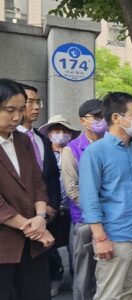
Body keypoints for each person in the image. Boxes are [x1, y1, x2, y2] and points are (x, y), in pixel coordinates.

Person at [79, 92, 132, 300]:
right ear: (116, 118)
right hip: (114, 236)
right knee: (110, 294)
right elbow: (89, 198)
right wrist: (100, 237)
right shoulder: (95, 152)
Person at [0, 78, 55, 300]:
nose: (17, 117)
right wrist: (35, 228)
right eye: (9, 110)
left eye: (21, 110)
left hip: (33, 244)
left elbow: (37, 182)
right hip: (5, 244)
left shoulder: (23, 140)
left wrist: (41, 216)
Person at [17, 83, 63, 294]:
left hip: (44, 217)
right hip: (15, 223)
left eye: (38, 102)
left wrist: (50, 206)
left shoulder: (42, 140)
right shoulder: (7, 140)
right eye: (30, 102)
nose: (36, 107)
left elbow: (51, 178)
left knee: (36, 282)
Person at [61, 99, 106, 300]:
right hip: (84, 221)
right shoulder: (72, 149)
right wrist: (96, 211)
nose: (101, 121)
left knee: (107, 275)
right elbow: (72, 189)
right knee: (85, 276)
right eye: (96, 117)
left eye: (103, 116)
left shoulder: (111, 145)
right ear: (82, 121)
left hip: (112, 221)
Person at [39, 115, 80, 296]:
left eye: (64, 131)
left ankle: (76, 280)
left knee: (75, 249)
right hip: (51, 208)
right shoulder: (42, 154)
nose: (61, 135)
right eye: (56, 131)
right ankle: (55, 277)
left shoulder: (75, 152)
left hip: (74, 207)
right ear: (49, 134)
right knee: (49, 248)